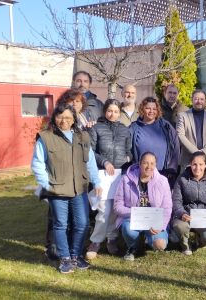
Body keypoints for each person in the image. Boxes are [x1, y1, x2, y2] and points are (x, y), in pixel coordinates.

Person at [31, 102, 102, 274]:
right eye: (60, 116)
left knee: (82, 223)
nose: (64, 120)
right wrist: (47, 184)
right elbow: (37, 164)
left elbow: (90, 161)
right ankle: (65, 259)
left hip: (79, 188)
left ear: (73, 119)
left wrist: (97, 181)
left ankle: (76, 255)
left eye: (68, 117)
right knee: (61, 224)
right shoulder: (46, 137)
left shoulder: (82, 137)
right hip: (57, 190)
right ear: (55, 117)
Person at [85, 99, 132, 260]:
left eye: (116, 111)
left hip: (119, 176)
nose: (113, 114)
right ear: (105, 111)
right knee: (103, 209)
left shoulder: (125, 130)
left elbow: (129, 150)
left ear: (120, 113)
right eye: (110, 111)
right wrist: (104, 162)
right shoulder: (96, 128)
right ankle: (95, 241)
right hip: (103, 176)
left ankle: (112, 239)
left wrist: (128, 156)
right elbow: (90, 152)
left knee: (115, 210)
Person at [113, 152, 172, 261]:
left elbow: (167, 207)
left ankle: (147, 239)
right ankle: (133, 246)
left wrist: (161, 225)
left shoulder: (162, 181)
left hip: (154, 221)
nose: (149, 167)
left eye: (152, 163)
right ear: (139, 164)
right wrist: (135, 213)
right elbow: (117, 206)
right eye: (145, 163)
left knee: (160, 245)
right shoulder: (125, 179)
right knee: (128, 230)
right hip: (132, 219)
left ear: (155, 165)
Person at [171, 151, 206, 255]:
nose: (197, 168)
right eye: (194, 164)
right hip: (186, 215)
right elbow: (176, 201)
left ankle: (200, 242)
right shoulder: (182, 178)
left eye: (201, 164)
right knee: (179, 226)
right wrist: (182, 213)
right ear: (190, 164)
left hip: (204, 217)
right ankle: (185, 245)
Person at [129, 97, 180, 187]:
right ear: (142, 109)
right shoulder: (134, 127)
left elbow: (175, 146)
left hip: (163, 174)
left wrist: (172, 168)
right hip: (142, 175)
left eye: (154, 109)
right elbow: (127, 149)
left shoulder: (166, 126)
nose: (151, 111)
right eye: (148, 108)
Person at [177, 89, 206, 168]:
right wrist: (196, 152)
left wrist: (203, 152)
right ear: (192, 100)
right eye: (196, 99)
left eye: (201, 99)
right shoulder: (182, 116)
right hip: (188, 161)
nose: (199, 101)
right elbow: (180, 135)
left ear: (205, 101)